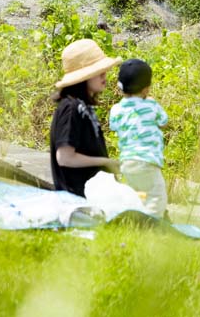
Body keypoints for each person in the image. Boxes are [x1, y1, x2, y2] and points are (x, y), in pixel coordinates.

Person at [49, 39, 121, 197]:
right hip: (77, 198)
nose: (104, 75)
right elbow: (65, 158)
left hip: (92, 194)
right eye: (98, 71)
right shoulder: (70, 107)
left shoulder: (83, 106)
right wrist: (105, 162)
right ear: (84, 77)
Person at [109, 59, 169, 218]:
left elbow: (113, 126)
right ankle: (150, 227)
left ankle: (131, 223)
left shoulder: (116, 109)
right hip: (147, 161)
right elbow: (163, 122)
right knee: (156, 197)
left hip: (127, 162)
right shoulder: (151, 105)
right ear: (146, 89)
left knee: (136, 196)